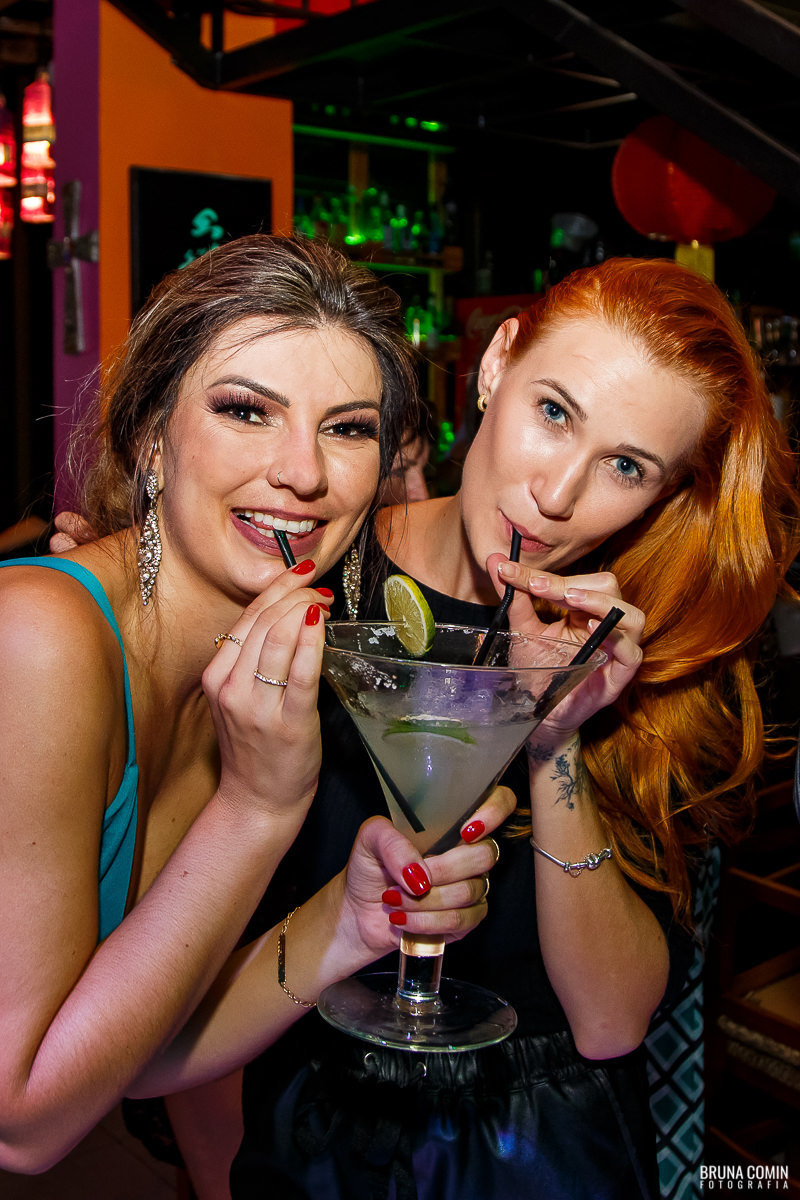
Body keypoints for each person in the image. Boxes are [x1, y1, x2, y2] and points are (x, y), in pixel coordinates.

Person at [221, 257, 800, 1200]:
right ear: (497, 365)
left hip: (543, 1155)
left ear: (662, 494)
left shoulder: (654, 658)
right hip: (307, 1132)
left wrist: (554, 736)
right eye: (554, 412)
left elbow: (610, 1023)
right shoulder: (312, 574)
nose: (558, 493)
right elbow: (188, 950)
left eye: (625, 467)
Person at [0, 235, 513, 1176]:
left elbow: (134, 1052)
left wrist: (350, 923)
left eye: (348, 429)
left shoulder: (247, 681)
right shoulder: (39, 637)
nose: (303, 473)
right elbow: (21, 1123)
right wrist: (258, 806)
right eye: (246, 410)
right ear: (150, 437)